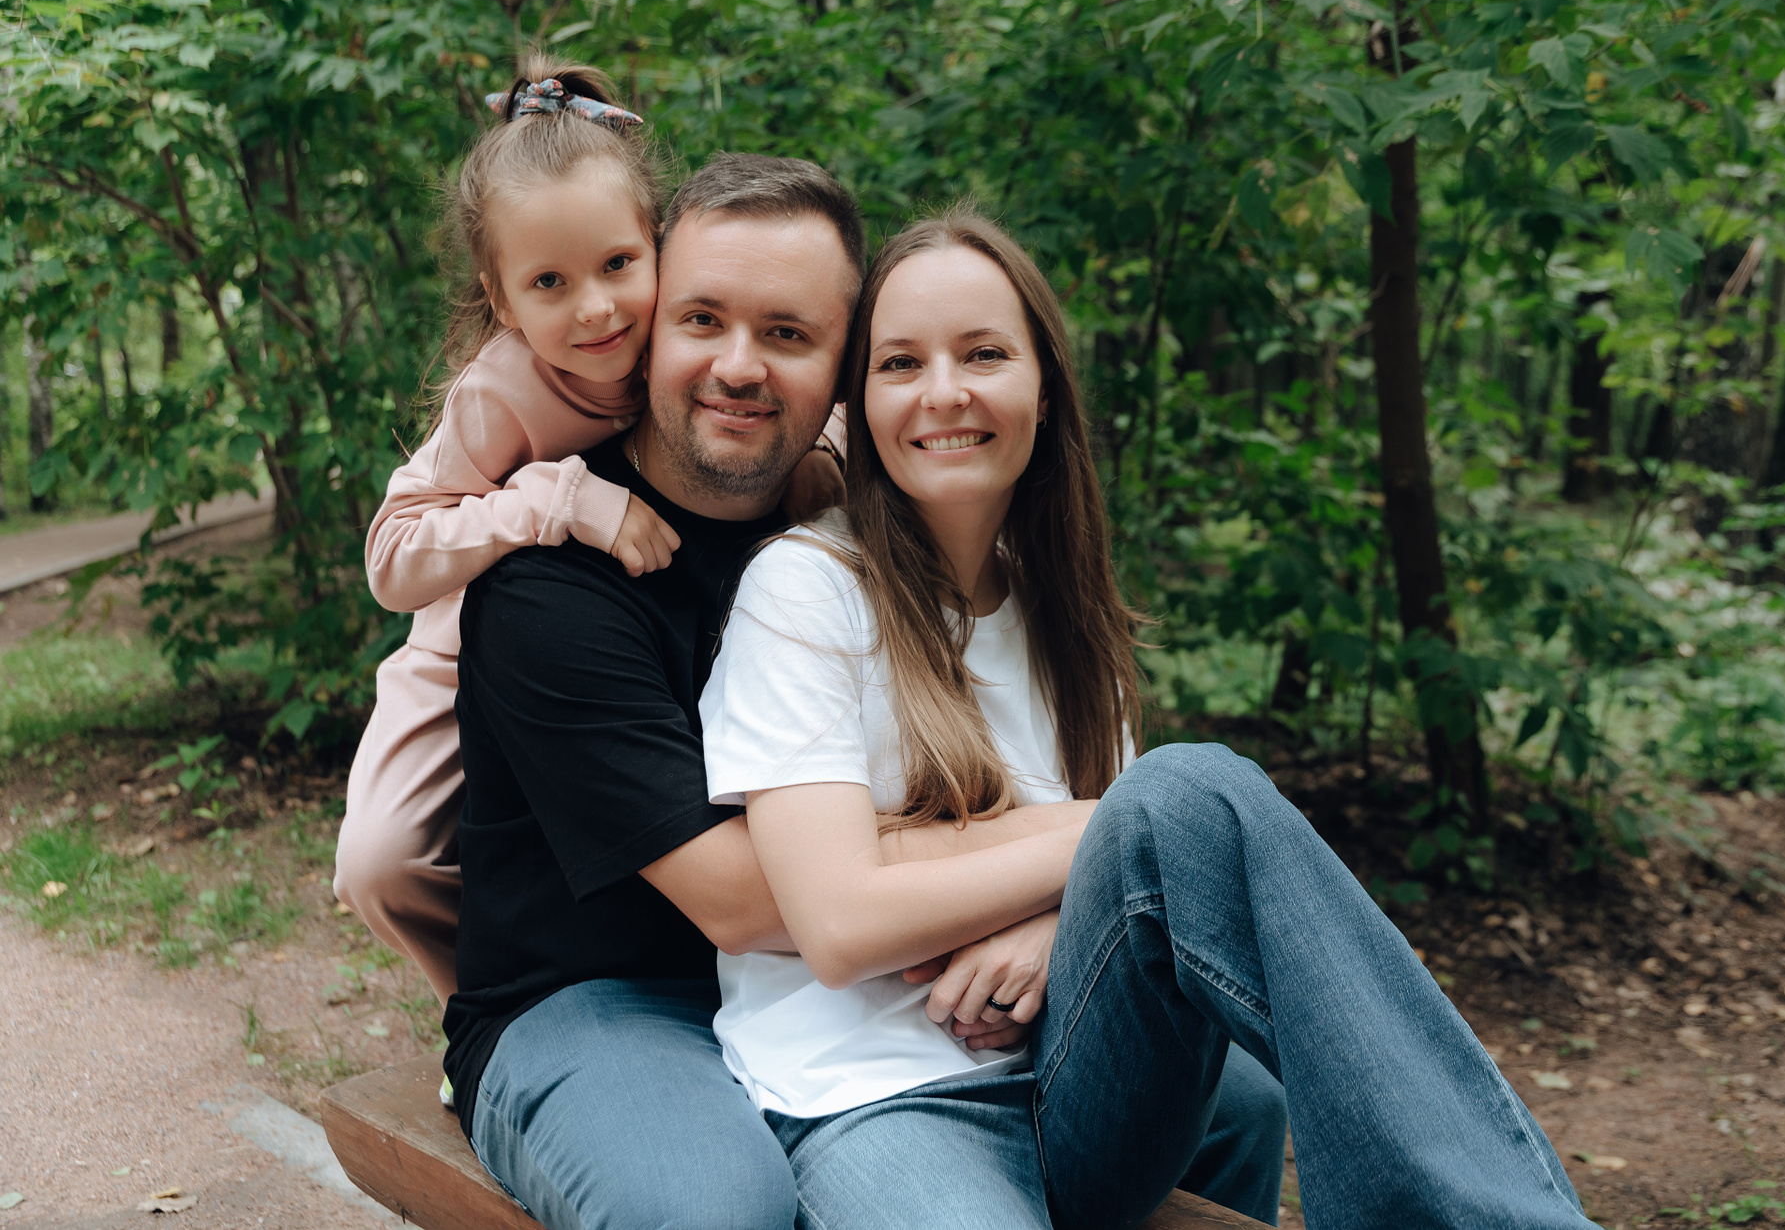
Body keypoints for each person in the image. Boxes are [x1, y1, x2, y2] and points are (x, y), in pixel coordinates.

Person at [699, 208, 1602, 1230]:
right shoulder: (807, 589)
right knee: (1176, 797)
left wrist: (1061, 924)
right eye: (901, 362)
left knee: (1181, 810)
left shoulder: (1067, 612)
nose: (943, 391)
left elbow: (1130, 884)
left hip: (1066, 1066)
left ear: (1045, 387)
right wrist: (1105, 837)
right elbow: (838, 924)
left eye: (984, 353)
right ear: (861, 403)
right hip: (872, 1092)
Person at [446, 155, 1284, 1230]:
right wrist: (1098, 843)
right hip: (602, 995)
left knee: (1242, 1104)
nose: (739, 365)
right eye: (702, 320)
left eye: (788, 333)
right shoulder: (554, 586)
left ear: (843, 372)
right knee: (715, 1209)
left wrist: (1058, 911)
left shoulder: (859, 537)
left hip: (833, 989)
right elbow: (756, 900)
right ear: (650, 329)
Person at [334, 56, 841, 1006]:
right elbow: (392, 557)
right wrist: (554, 500)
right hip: (467, 625)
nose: (597, 308)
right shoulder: (502, 388)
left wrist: (822, 455)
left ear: (658, 246)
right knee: (379, 862)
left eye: (617, 265)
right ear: (501, 296)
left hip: (637, 614)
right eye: (549, 282)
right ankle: (477, 1012)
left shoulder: (679, 335)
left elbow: (798, 375)